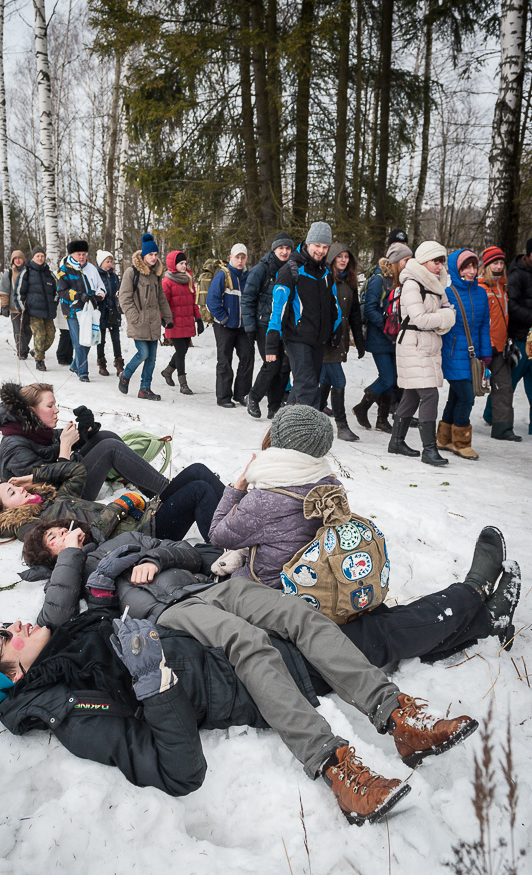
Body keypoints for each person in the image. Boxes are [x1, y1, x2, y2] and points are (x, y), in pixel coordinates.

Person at [0, 566, 481, 825]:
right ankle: (477, 599)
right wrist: (151, 680)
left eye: (3, 626)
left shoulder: (62, 642)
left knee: (333, 622)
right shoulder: (66, 706)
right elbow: (179, 769)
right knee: (383, 634)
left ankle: (405, 711)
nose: (14, 625)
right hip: (237, 672)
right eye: (4, 640)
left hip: (207, 614)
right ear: (14, 676)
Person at [209, 405, 519, 658]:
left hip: (275, 603)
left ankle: (477, 601)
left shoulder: (264, 499)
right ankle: (484, 613)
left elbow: (218, 534)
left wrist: (237, 488)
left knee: (388, 631)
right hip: (324, 589)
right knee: (388, 628)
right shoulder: (328, 483)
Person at [0, 382, 225, 512]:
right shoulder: (14, 446)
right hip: (60, 502)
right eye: (50, 405)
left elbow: (70, 443)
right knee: (110, 448)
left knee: (104, 436)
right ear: (32, 411)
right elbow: (45, 486)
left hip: (65, 484)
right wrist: (64, 449)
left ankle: (155, 491)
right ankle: (171, 493)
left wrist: (87, 430)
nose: (56, 410)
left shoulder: (32, 429)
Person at [0, 455, 223, 545]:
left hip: (141, 515)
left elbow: (77, 471)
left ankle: (242, 518)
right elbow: (89, 539)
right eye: (11, 494)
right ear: (6, 512)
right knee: (199, 490)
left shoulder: (52, 500)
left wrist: (33, 476)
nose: (19, 491)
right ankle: (225, 548)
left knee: (197, 470)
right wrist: (119, 505)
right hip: (142, 533)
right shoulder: (32, 528)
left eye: (14, 488)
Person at [388, 241, 455, 465]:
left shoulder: (436, 285)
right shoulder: (411, 284)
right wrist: (444, 319)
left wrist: (443, 320)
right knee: (429, 395)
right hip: (413, 345)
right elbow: (421, 319)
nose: (439, 266)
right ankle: (429, 450)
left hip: (429, 346)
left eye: (442, 261)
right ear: (424, 261)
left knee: (412, 395)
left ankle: (396, 442)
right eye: (436, 261)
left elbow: (447, 314)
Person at [266, 222, 342, 409]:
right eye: (317, 245)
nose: (321, 251)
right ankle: (305, 432)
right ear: (308, 243)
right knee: (308, 388)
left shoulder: (325, 272)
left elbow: (334, 304)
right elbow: (278, 309)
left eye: (325, 247)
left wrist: (336, 329)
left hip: (317, 339)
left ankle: (284, 427)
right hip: (297, 338)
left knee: (305, 386)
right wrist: (271, 342)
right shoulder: (290, 270)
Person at [437, 250, 492, 460]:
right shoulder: (447, 293)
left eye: (473, 266)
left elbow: (483, 327)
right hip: (452, 353)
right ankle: (460, 442)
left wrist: (485, 354)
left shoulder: (480, 293)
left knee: (456, 396)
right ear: (456, 269)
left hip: (472, 356)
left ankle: (443, 437)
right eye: (465, 267)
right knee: (467, 397)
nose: (471, 271)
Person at [354, 243, 412, 433]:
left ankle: (382, 419)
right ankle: (362, 406)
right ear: (396, 261)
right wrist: (388, 327)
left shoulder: (403, 280)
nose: (409, 263)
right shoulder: (378, 280)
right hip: (380, 338)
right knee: (387, 378)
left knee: (393, 379)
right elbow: (370, 309)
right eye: (406, 260)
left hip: (395, 338)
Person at [242, 232, 294, 419]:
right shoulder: (261, 269)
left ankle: (274, 407)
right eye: (281, 248)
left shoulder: (293, 269)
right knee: (272, 364)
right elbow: (247, 299)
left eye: (288, 248)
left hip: (284, 325)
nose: (284, 251)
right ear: (274, 249)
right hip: (264, 324)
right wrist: (249, 327)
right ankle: (254, 397)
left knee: (283, 367)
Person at [118, 233, 173, 400]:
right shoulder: (131, 272)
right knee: (143, 354)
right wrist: (134, 317)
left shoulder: (156, 274)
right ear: (143, 255)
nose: (154, 258)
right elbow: (124, 298)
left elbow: (161, 297)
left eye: (156, 255)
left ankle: (145, 389)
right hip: (138, 322)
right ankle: (125, 375)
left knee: (152, 357)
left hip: (153, 322)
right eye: (151, 254)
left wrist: (168, 318)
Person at [320, 242, 365, 441]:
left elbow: (354, 313)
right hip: (326, 339)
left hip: (341, 339)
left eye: (346, 257)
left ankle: (313, 414)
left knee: (325, 381)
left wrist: (360, 340)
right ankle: (342, 425)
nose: (343, 260)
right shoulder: (325, 279)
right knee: (338, 379)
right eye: (339, 256)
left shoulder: (350, 282)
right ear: (332, 258)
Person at [479, 246, 522, 442]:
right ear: (487, 265)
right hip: (483, 347)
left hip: (501, 346)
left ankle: (503, 428)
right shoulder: (480, 287)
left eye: (501, 262)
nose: (498, 266)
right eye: (494, 263)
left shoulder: (503, 287)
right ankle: (454, 425)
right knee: (469, 388)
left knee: (504, 387)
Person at [206, 242, 254, 408]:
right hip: (224, 326)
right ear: (230, 258)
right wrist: (224, 318)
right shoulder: (223, 275)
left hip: (242, 327)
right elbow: (211, 301)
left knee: (247, 358)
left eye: (243, 257)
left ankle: (241, 394)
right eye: (237, 257)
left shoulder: (248, 276)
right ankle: (224, 396)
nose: (240, 261)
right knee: (225, 360)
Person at [56, 239, 106, 382]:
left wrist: (100, 294)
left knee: (88, 339)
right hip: (72, 310)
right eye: (79, 254)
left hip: (89, 310)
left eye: (84, 254)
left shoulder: (91, 268)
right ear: (72, 254)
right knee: (79, 341)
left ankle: (75, 365)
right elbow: (62, 291)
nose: (82, 257)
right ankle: (83, 372)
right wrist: (78, 295)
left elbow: (100, 285)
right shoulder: (64, 270)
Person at [160, 250, 203, 395]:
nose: (184, 266)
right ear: (174, 264)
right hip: (174, 322)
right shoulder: (167, 282)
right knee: (180, 352)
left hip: (187, 322)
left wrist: (198, 319)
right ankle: (183, 384)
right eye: (181, 263)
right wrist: (164, 319)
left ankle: (167, 371)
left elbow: (193, 303)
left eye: (185, 263)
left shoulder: (188, 279)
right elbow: (163, 303)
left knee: (183, 350)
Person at [14, 247, 58, 372]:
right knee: (39, 335)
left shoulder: (49, 273)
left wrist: (54, 303)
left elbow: (57, 290)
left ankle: (35, 351)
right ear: (33, 257)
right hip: (33, 312)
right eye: (37, 256)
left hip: (48, 311)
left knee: (51, 336)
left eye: (42, 256)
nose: (40, 258)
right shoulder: (26, 272)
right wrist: (23, 310)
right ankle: (40, 361)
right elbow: (18, 293)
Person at [506, 237, 532, 436]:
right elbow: (512, 306)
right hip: (519, 337)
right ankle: (494, 416)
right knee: (510, 382)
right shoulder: (517, 275)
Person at [95, 250, 124, 377]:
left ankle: (119, 364)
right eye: (107, 261)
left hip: (113, 309)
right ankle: (101, 364)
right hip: (102, 309)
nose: (109, 264)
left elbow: (118, 289)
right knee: (101, 339)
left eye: (111, 261)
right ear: (101, 263)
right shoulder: (96, 275)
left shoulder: (114, 276)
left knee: (116, 338)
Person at [0, 250, 30, 359]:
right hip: (14, 307)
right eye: (15, 258)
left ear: (23, 260)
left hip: (28, 307)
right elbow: (4, 291)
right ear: (12, 260)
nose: (18, 260)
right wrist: (5, 306)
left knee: (28, 330)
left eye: (20, 258)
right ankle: (21, 352)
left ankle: (25, 347)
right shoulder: (8, 274)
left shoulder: (29, 271)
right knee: (18, 331)